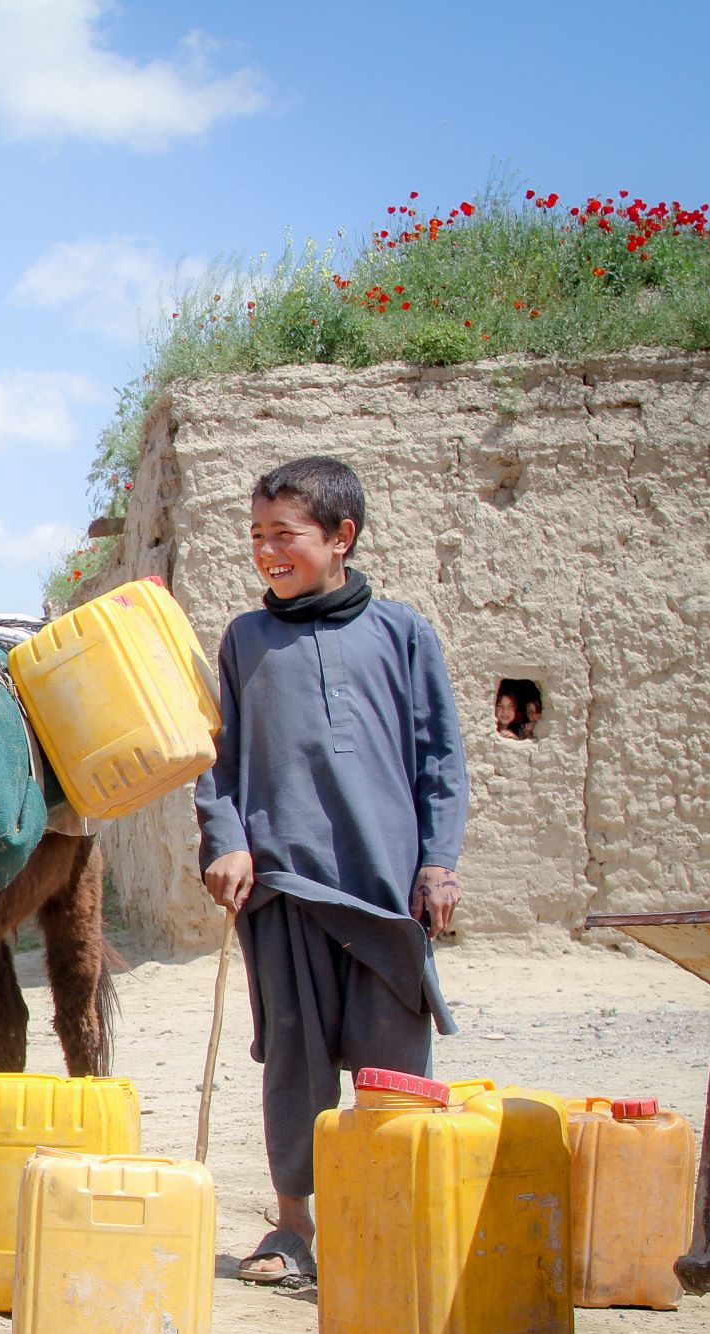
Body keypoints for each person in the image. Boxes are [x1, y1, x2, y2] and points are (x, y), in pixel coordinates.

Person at [194, 456, 469, 1285]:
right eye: (256, 537)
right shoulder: (245, 639)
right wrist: (226, 839)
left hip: (381, 889)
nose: (267, 552)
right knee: (293, 1057)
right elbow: (220, 762)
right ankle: (293, 1227)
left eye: (286, 535)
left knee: (393, 1066)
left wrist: (438, 861)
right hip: (281, 887)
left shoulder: (401, 633)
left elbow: (440, 759)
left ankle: (384, 1220)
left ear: (341, 538)